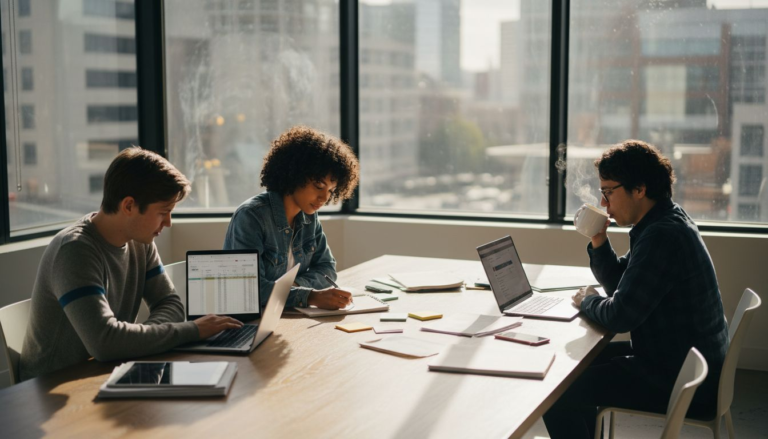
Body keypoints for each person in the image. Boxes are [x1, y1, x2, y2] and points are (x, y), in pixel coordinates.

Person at [543, 140, 729, 439]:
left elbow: (620, 316)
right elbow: (622, 286)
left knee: (556, 391)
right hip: (683, 362)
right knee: (578, 363)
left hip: (682, 380)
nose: (603, 204)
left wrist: (588, 301)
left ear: (639, 189)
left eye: (607, 192)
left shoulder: (662, 237)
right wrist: (598, 238)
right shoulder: (663, 221)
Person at [20, 148, 242, 381]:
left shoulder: (140, 242)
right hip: (51, 389)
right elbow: (105, 343)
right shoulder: (74, 250)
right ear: (128, 206)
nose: (168, 223)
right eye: (163, 212)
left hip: (107, 372)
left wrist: (137, 341)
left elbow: (171, 304)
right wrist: (193, 330)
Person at [223, 126, 360, 310]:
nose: (325, 198)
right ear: (295, 174)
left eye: (331, 190)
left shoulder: (309, 217)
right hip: (250, 320)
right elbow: (249, 290)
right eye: (319, 185)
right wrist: (309, 296)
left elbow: (327, 269)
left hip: (286, 314)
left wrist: (292, 289)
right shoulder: (251, 216)